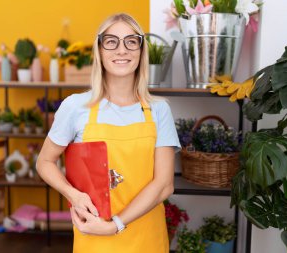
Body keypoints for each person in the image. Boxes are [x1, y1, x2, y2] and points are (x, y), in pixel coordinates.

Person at [36, 13, 181, 253]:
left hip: (146, 239)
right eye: (111, 41)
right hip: (93, 236)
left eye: (131, 41)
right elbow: (44, 161)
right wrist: (73, 194)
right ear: (100, 51)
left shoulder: (158, 110)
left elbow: (164, 185)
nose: (121, 50)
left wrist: (115, 225)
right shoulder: (75, 107)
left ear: (141, 51)